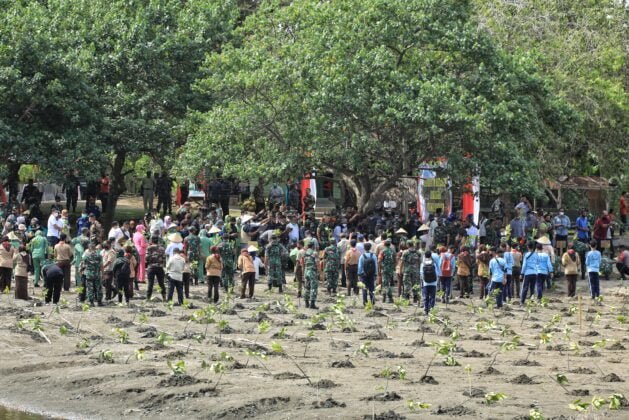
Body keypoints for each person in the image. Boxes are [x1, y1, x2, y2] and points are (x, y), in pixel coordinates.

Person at [81, 240, 103, 306]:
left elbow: (83, 264)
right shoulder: (99, 255)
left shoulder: (86, 256)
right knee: (98, 288)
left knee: (90, 288)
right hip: (97, 274)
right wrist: (103, 274)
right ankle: (99, 302)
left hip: (89, 274)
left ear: (89, 248)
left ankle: (91, 302)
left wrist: (81, 271)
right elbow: (101, 266)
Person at [302, 241, 319, 309]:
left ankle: (306, 303)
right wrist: (319, 272)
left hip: (306, 271)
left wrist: (303, 272)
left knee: (307, 287)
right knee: (313, 288)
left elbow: (302, 263)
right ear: (313, 246)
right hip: (312, 271)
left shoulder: (304, 253)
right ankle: (312, 304)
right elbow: (317, 263)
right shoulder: (314, 253)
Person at [421, 250, 438, 314]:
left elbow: (421, 273)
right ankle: (432, 309)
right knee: (432, 296)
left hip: (425, 283)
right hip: (433, 283)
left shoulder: (423, 264)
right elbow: (436, 272)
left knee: (426, 296)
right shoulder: (434, 263)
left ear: (424, 256)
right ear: (431, 255)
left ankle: (426, 309)